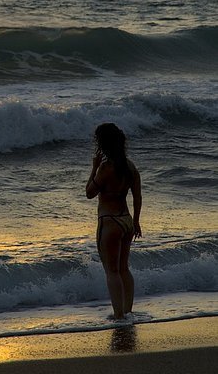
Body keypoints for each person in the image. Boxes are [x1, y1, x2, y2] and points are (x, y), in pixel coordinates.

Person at [86, 123, 142, 320]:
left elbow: (89, 193)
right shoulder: (130, 167)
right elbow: (137, 196)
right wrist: (136, 221)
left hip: (109, 221)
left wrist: (93, 169)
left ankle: (119, 315)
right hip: (126, 220)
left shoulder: (105, 168)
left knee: (112, 271)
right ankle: (127, 310)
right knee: (124, 268)